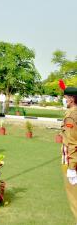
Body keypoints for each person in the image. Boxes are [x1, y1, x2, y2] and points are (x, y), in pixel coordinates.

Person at [60, 86, 77, 221]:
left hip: (71, 159)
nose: (64, 100)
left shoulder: (71, 115)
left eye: (65, 98)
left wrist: (71, 167)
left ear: (71, 99)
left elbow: (72, 142)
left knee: (74, 196)